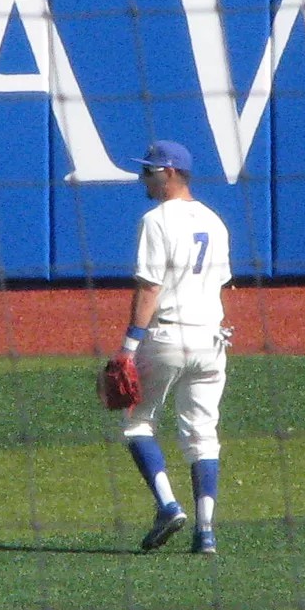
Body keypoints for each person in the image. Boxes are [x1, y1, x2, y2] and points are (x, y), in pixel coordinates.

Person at [116, 140, 232, 555]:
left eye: (147, 171)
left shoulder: (156, 220)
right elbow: (220, 283)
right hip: (211, 338)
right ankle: (206, 532)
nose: (142, 178)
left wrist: (129, 346)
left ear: (168, 173)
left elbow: (149, 287)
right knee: (203, 435)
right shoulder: (215, 221)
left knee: (137, 423)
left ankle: (167, 504)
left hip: (166, 336)